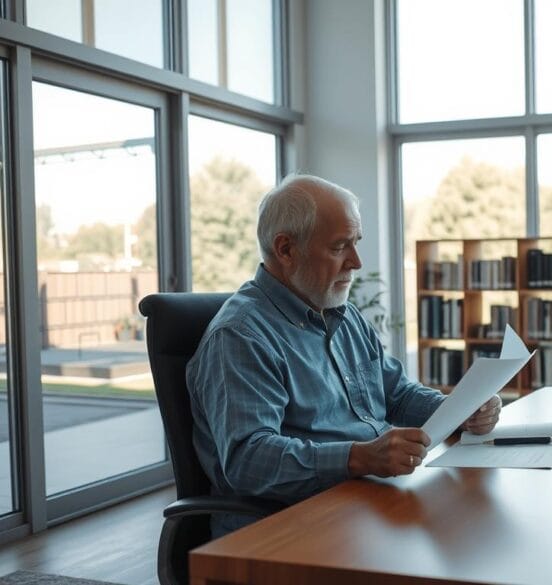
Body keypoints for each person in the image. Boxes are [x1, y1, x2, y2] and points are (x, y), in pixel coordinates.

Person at [186, 174, 501, 536]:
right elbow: (248, 459)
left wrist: (460, 410)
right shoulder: (240, 337)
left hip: (365, 501)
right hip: (286, 527)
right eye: (339, 247)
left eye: (356, 243)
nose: (356, 262)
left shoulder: (342, 313)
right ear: (286, 250)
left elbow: (395, 392)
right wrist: (360, 456)